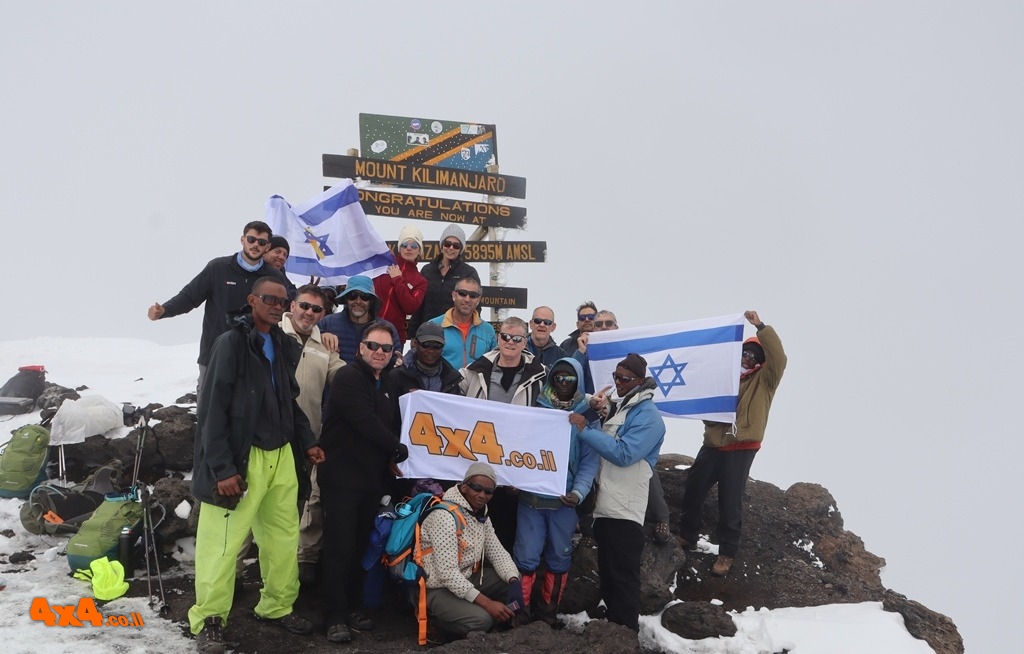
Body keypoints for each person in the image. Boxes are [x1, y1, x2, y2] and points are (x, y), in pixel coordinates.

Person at [188, 276, 324, 654]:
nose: (278, 305)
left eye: (284, 301)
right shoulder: (230, 344)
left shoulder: (280, 345)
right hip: (241, 459)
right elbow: (211, 410)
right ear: (252, 300)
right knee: (222, 543)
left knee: (283, 538)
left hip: (280, 456)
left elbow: (288, 402)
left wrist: (308, 442)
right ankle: (210, 619)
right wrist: (222, 469)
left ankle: (277, 606)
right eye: (270, 299)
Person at [317, 321, 409, 644]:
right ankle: (333, 614)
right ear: (360, 347)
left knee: (359, 545)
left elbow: (385, 422)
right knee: (339, 548)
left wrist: (389, 457)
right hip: (341, 478)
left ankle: (353, 606)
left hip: (370, 480)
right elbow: (366, 422)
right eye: (373, 346)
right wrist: (397, 448)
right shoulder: (348, 378)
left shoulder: (383, 383)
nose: (379, 352)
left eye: (386, 348)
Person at [678, 310, 787, 577]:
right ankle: (687, 536)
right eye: (745, 353)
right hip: (714, 444)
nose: (748, 358)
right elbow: (705, 405)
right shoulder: (723, 377)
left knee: (731, 499)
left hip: (741, 447)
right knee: (694, 488)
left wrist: (761, 327)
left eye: (754, 356)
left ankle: (727, 553)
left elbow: (779, 359)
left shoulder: (765, 380)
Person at [569, 353, 665, 631]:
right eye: (615, 377)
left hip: (626, 509)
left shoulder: (649, 416)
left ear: (640, 380)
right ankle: (614, 628)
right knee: (610, 574)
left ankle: (624, 634)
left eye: (625, 379)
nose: (619, 382)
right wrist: (596, 408)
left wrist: (586, 429)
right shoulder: (623, 408)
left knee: (623, 576)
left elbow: (625, 455)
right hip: (608, 505)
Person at [148, 221, 284, 404]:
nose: (255, 245)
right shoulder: (218, 268)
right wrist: (164, 310)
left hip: (255, 358)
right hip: (213, 356)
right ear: (242, 239)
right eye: (251, 239)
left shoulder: (274, 278)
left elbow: (291, 307)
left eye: (261, 242)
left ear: (267, 246)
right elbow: (189, 297)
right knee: (209, 414)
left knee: (250, 417)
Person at [513, 357, 599, 626]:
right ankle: (519, 614)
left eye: (570, 378)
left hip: (564, 502)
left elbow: (589, 461)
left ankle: (547, 615)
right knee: (525, 558)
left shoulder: (587, 417)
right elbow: (517, 448)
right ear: (551, 379)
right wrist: (514, 478)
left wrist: (579, 492)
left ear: (579, 381)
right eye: (558, 377)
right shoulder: (536, 408)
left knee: (559, 558)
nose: (563, 383)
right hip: (531, 499)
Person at [460, 316, 545, 550]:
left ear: (525, 342)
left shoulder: (540, 375)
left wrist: (592, 404)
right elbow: (448, 394)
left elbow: (562, 398)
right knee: (473, 520)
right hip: (479, 454)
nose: (510, 342)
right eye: (505, 336)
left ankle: (502, 580)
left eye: (516, 338)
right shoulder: (476, 370)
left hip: (515, 459)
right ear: (498, 338)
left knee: (506, 524)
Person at [281, 285, 345, 585]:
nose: (309, 313)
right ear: (293, 305)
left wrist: (380, 367)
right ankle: (241, 569)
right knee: (262, 501)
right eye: (304, 306)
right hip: (274, 435)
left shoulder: (324, 345)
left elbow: (343, 377)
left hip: (311, 436)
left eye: (316, 309)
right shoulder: (272, 333)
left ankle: (305, 561)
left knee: (311, 500)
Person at [420, 462, 523, 640]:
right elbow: (448, 574)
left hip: (467, 576)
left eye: (489, 491)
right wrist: (487, 603)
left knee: (512, 583)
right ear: (465, 487)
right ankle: (436, 625)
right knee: (483, 621)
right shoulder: (444, 517)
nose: (482, 495)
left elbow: (498, 553)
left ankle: (499, 617)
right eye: (477, 488)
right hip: (438, 588)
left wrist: (513, 580)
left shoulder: (480, 515)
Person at [409, 224, 479, 337]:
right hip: (427, 332)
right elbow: (419, 304)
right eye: (447, 244)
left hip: (455, 333)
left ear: (460, 249)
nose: (451, 248)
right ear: (441, 246)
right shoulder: (427, 270)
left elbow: (475, 307)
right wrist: (413, 335)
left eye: (456, 246)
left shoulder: (468, 273)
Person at [317, 275, 401, 364]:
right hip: (335, 377)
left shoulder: (387, 328)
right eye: (352, 296)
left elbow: (394, 360)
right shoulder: (327, 323)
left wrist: (399, 363)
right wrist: (321, 335)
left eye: (364, 296)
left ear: (371, 301)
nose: (358, 301)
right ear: (346, 299)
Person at [373, 224, 427, 343]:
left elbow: (410, 307)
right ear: (399, 248)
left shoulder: (420, 280)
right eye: (404, 245)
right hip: (370, 329)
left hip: (395, 335)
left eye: (414, 245)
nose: (409, 248)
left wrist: (397, 279)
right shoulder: (384, 265)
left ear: (419, 250)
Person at [430, 276, 497, 370]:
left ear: (478, 300)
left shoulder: (488, 330)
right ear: (454, 295)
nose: (467, 299)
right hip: (442, 384)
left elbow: (494, 366)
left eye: (473, 295)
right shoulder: (433, 326)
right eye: (462, 293)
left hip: (476, 384)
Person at [390, 322, 464, 397]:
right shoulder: (398, 376)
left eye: (437, 345)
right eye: (426, 344)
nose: (431, 350)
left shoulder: (452, 378)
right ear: (415, 344)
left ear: (443, 347)